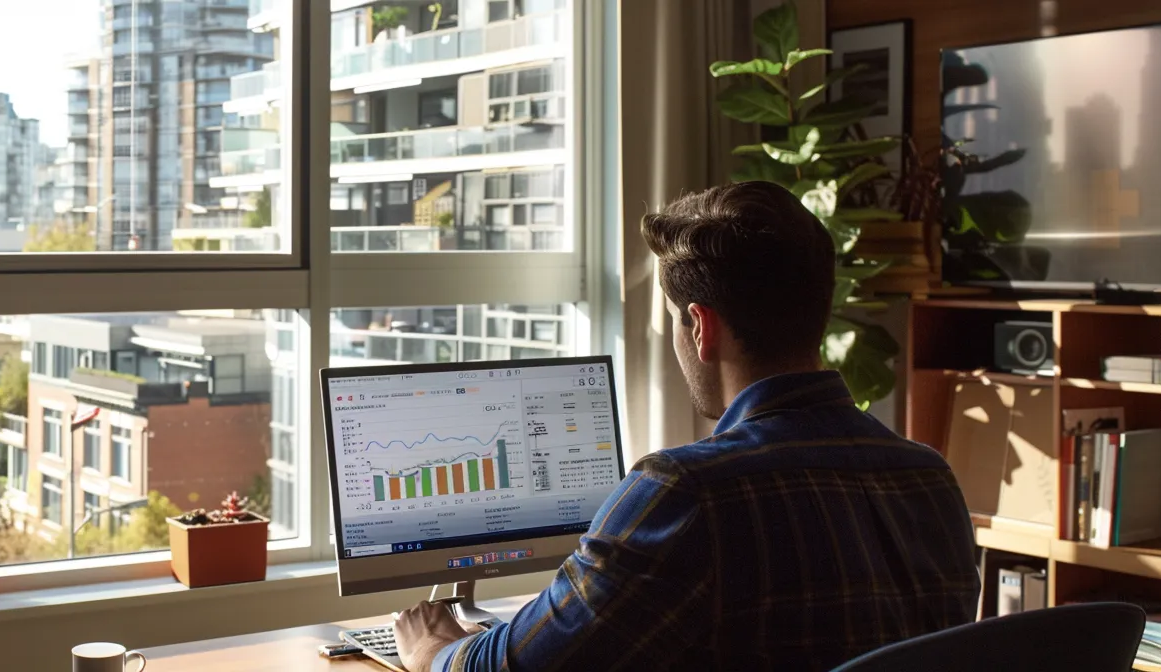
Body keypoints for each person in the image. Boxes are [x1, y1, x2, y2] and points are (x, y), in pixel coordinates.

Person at [393, 181, 981, 671]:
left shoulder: (688, 491)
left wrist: (434, 651)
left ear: (701, 327)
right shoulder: (928, 478)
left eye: (674, 321)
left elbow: (523, 669)